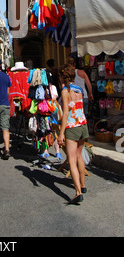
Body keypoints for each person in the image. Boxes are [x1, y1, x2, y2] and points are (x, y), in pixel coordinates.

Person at [57, 64, 89, 205]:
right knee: (79, 156)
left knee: (71, 160)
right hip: (83, 125)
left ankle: (78, 192)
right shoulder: (79, 89)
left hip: (72, 126)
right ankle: (82, 184)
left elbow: (65, 115)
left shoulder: (65, 91)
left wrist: (61, 134)